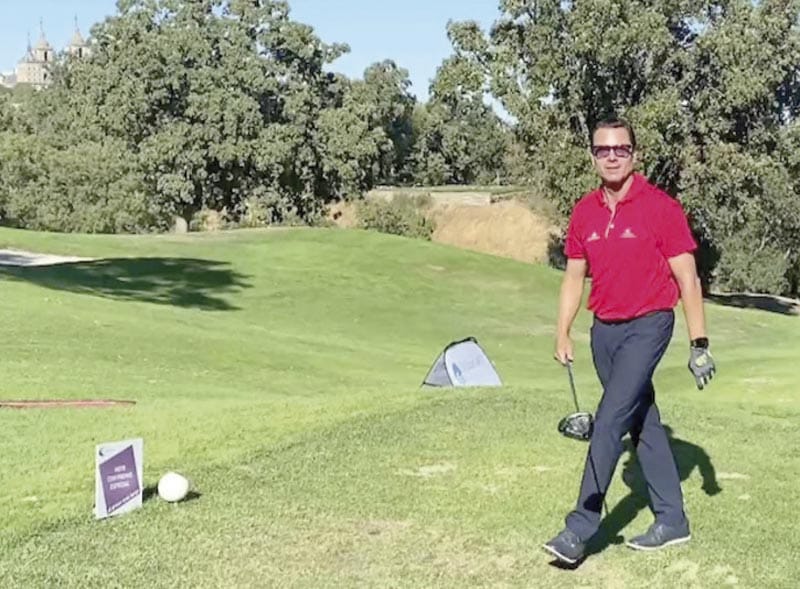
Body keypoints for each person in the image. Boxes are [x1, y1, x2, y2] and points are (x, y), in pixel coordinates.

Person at [542, 117, 717, 565]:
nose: (613, 156)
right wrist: (562, 329)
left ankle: (579, 528)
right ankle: (672, 520)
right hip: (605, 332)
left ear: (634, 154)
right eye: (604, 150)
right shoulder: (584, 212)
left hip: (650, 324)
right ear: (594, 156)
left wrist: (699, 343)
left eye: (621, 148)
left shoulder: (661, 208)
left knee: (608, 420)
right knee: (643, 424)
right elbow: (574, 278)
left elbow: (688, 278)